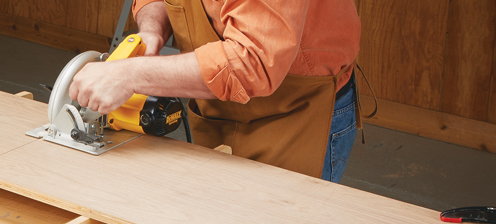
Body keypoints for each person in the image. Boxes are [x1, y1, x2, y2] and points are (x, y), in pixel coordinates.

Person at [69, 0, 361, 182]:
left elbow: (253, 61)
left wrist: (131, 75)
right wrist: (152, 29)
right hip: (219, 99)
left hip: (296, 111)